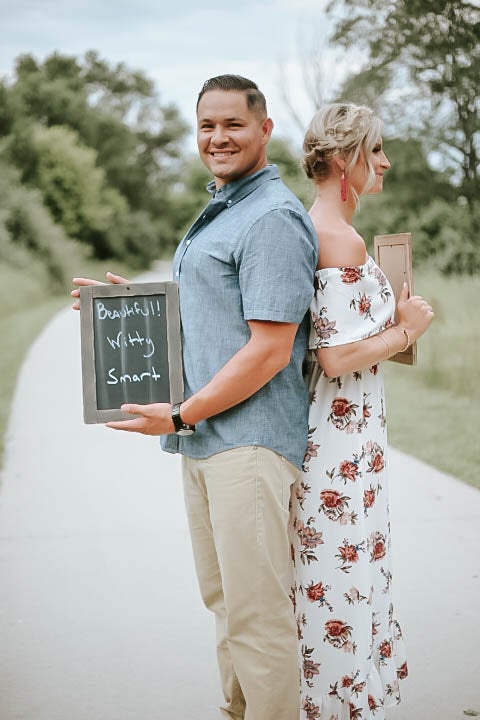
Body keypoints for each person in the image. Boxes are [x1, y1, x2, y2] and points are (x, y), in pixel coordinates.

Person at [72, 74, 318, 720]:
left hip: (251, 443)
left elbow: (268, 349)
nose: (218, 137)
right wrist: (130, 309)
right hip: (209, 442)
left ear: (265, 130)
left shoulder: (270, 217)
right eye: (207, 125)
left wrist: (181, 412)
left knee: (258, 619)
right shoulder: (226, 207)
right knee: (228, 607)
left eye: (233, 124)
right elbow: (218, 318)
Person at [289, 103, 434, 720]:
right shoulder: (338, 236)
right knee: (339, 587)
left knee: (341, 578)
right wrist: (407, 330)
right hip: (339, 445)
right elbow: (337, 356)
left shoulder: (322, 227)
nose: (386, 162)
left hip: (350, 439)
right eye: (376, 151)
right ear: (347, 160)